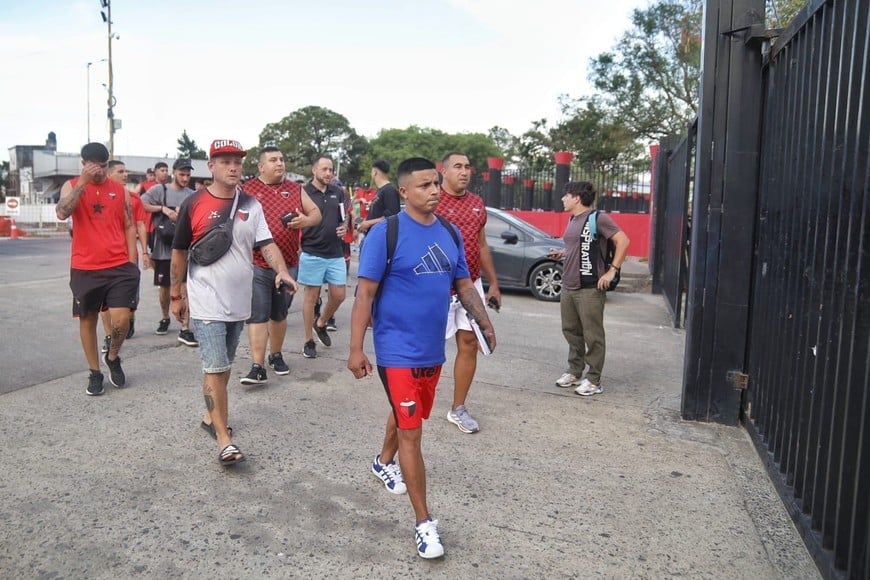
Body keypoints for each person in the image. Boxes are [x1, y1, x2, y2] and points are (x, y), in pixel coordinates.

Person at [348, 157, 496, 559]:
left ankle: (382, 461)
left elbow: (463, 283)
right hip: (396, 350)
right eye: (425, 185)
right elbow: (364, 294)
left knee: (405, 414)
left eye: (435, 183)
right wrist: (356, 348)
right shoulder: (386, 234)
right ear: (404, 193)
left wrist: (484, 322)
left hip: (433, 349)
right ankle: (424, 523)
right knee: (412, 432)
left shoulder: (449, 231)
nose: (434, 191)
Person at [170, 139, 298, 466]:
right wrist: (176, 294)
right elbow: (180, 251)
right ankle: (224, 439)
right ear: (210, 166)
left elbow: (266, 242)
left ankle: (208, 416)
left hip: (238, 301)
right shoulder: (194, 203)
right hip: (205, 299)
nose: (232, 167)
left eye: (237, 161)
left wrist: (281, 270)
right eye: (225, 161)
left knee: (223, 367)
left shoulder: (251, 204)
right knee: (215, 367)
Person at [55, 142, 140, 396]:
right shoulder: (71, 185)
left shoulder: (120, 191)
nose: (100, 172)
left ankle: (112, 355)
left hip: (118, 264)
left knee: (122, 319)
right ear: (83, 164)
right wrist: (83, 182)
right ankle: (95, 372)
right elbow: (61, 212)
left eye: (103, 166)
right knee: (88, 319)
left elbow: (129, 226)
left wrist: (132, 264)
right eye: (94, 167)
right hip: (85, 266)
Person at [239, 146, 321, 385]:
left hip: (289, 263)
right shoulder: (247, 190)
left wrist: (306, 220)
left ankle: (276, 355)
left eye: (282, 159)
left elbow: (316, 213)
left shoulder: (295, 189)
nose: (279, 163)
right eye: (273, 160)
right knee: (258, 315)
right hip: (256, 263)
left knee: (279, 313)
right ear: (261, 166)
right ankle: (257, 365)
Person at [436, 152, 501, 434]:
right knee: (428, 347)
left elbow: (482, 245)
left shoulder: (477, 204)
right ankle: (412, 398)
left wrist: (493, 284)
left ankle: (458, 408)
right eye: (457, 167)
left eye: (467, 167)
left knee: (469, 343)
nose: (464, 172)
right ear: (443, 171)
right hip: (436, 285)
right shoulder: (431, 200)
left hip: (470, 284)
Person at [551, 181, 630, 395]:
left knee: (592, 334)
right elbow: (579, 246)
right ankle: (575, 371)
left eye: (566, 195)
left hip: (589, 287)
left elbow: (623, 241)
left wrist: (612, 270)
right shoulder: (573, 219)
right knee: (571, 331)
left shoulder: (598, 218)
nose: (563, 199)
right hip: (569, 284)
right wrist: (563, 253)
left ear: (576, 197)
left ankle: (594, 379)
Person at [297, 156, 350, 359]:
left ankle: (321, 323)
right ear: (314, 170)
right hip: (312, 252)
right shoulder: (303, 193)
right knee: (310, 297)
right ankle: (308, 340)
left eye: (331, 170)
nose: (328, 173)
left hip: (335, 252)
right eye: (324, 169)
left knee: (339, 295)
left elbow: (343, 219)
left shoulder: (338, 192)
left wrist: (344, 228)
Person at [142, 158, 196, 344]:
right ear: (174, 173)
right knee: (165, 288)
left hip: (184, 247)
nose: (185, 177)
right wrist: (163, 209)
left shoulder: (191, 194)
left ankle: (185, 327)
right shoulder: (160, 190)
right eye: (182, 174)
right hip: (164, 248)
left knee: (184, 287)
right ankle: (165, 317)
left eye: (188, 174)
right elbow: (142, 204)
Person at [100, 160, 151, 353]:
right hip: (104, 258)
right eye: (121, 171)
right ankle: (108, 336)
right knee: (103, 303)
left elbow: (140, 226)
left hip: (128, 257)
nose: (125, 175)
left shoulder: (134, 199)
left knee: (131, 302)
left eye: (126, 171)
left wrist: (145, 252)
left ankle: (129, 319)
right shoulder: (98, 198)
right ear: (109, 173)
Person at [358, 160, 400, 235]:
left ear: (375, 172)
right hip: (372, 235)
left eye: (371, 172)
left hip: (382, 239)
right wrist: (365, 222)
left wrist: (369, 223)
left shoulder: (389, 190)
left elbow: (393, 217)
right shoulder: (380, 190)